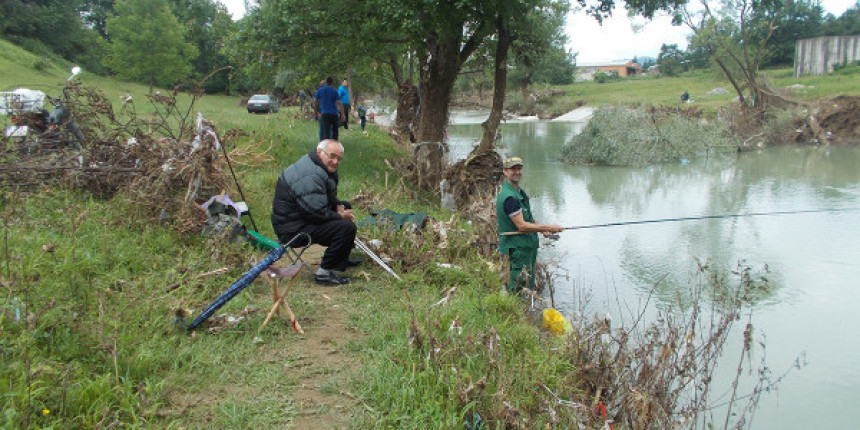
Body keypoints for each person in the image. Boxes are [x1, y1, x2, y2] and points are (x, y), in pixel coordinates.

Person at [271, 139, 360, 285]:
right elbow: (316, 213)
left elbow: (322, 195)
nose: (335, 161)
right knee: (346, 228)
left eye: (339, 159)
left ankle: (339, 257)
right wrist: (339, 215)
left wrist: (337, 205)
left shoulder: (318, 165)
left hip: (300, 216)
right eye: (332, 156)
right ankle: (324, 274)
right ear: (320, 152)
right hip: (292, 229)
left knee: (345, 205)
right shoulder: (310, 175)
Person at [495, 157, 563, 293]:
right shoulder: (510, 198)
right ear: (505, 171)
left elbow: (527, 218)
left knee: (528, 283)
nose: (517, 172)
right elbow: (522, 226)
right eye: (513, 169)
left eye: (519, 169)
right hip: (519, 248)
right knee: (519, 286)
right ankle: (516, 312)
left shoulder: (518, 192)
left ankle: (525, 311)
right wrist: (548, 227)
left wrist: (540, 228)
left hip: (526, 246)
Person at [314, 77, 344, 141]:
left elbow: (315, 101)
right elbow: (339, 103)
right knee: (335, 131)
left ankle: (326, 146)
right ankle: (335, 144)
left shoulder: (320, 90)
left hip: (324, 113)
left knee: (326, 131)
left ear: (326, 82)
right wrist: (342, 114)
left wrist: (315, 109)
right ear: (332, 82)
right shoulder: (334, 91)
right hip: (334, 113)